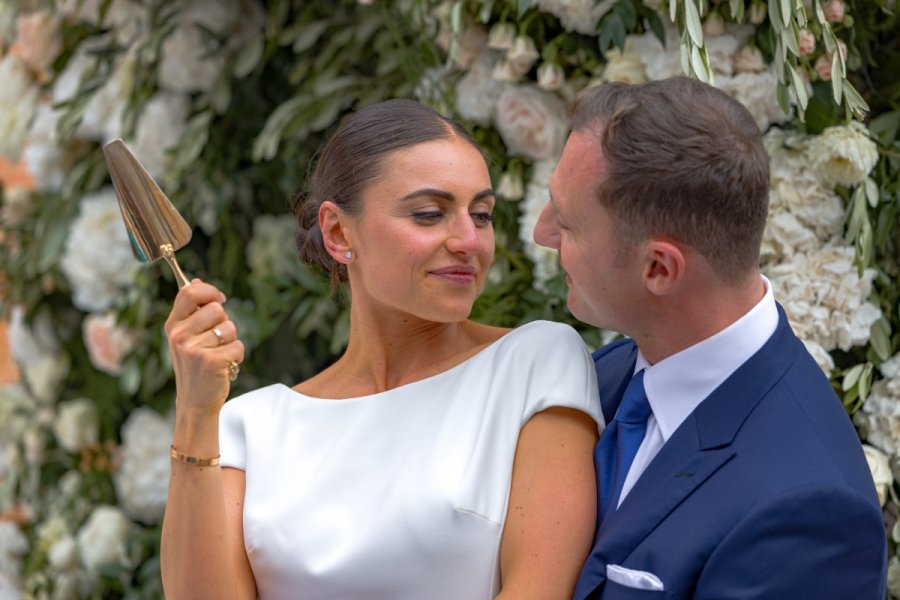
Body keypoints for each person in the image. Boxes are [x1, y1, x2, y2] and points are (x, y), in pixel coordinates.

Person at [159, 98, 602, 599]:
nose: (468, 241)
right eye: (430, 214)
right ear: (338, 231)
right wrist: (195, 414)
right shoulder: (252, 427)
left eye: (481, 215)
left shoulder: (535, 364)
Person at [533, 77, 888, 598]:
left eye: (568, 224)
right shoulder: (611, 371)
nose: (543, 233)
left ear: (659, 267)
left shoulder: (809, 515)